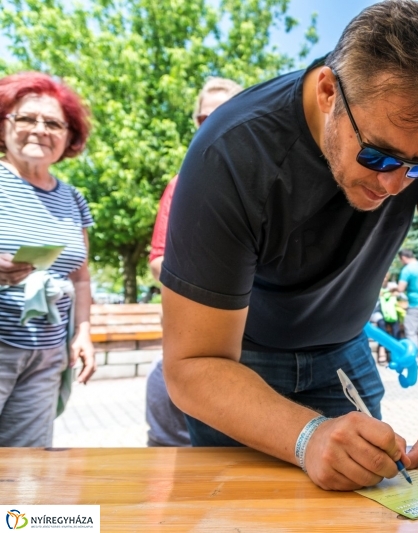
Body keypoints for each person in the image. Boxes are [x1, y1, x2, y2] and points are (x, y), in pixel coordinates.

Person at [160, 0, 418, 492]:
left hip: (345, 351)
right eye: (377, 155)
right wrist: (307, 435)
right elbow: (192, 365)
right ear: (329, 90)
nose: (396, 187)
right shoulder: (231, 151)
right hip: (239, 368)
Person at [0, 72, 96, 446]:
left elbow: (81, 278)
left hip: (46, 353)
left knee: (26, 467)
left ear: (69, 137)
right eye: (26, 118)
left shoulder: (72, 199)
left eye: (53, 123)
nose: (40, 129)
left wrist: (83, 333)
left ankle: (21, 511)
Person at [146, 77, 243, 447]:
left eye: (228, 114)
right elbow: (158, 261)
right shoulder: (182, 183)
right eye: (207, 118)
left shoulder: (267, 182)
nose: (217, 125)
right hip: (192, 349)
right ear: (197, 124)